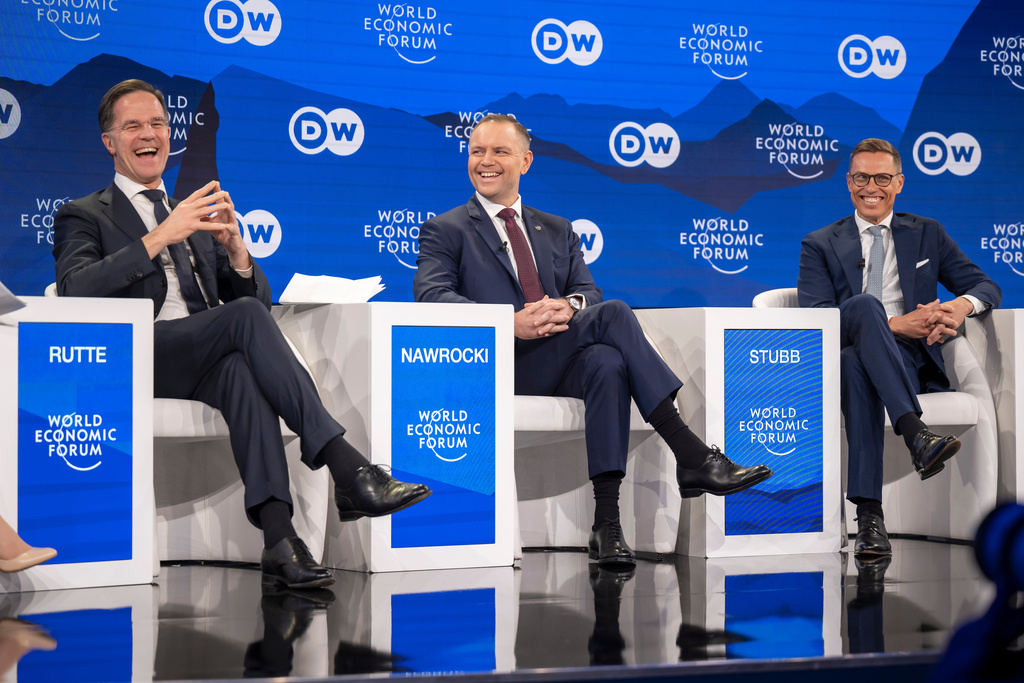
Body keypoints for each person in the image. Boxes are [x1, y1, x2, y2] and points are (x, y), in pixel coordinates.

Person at [53, 79, 431, 590]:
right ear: (110, 142)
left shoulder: (193, 209)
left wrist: (236, 252)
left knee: (242, 375)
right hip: (132, 354)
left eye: (158, 124)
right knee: (248, 318)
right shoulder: (84, 213)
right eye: (133, 126)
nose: (149, 135)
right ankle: (347, 468)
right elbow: (75, 289)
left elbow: (248, 297)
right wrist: (161, 236)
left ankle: (280, 541)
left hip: (201, 355)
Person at [414, 114, 773, 569]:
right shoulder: (446, 229)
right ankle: (690, 452)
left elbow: (589, 292)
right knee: (619, 315)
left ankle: (607, 524)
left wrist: (570, 305)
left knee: (607, 362)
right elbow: (432, 296)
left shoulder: (556, 228)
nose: (485, 161)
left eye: (499, 152)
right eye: (476, 152)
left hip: (556, 359)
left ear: (525, 161)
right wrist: (510, 323)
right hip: (496, 362)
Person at [797, 138, 1001, 558]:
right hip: (838, 355)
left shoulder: (926, 233)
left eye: (882, 177)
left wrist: (961, 306)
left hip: (908, 362)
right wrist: (894, 323)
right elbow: (815, 319)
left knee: (858, 366)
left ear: (899, 182)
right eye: (861, 177)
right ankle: (916, 434)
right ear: (848, 183)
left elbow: (986, 286)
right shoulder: (819, 243)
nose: (871, 187)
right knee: (862, 314)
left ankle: (870, 518)